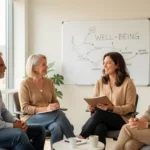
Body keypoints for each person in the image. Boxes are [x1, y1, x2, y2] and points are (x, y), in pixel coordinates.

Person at [78, 52, 136, 149]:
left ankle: (81, 137)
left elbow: (131, 107)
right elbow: (94, 100)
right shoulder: (100, 82)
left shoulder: (128, 83)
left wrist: (112, 108)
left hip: (122, 119)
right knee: (99, 127)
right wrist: (91, 107)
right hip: (103, 118)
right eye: (104, 63)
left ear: (117, 65)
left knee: (101, 114)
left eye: (108, 63)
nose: (104, 65)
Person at [19, 54, 75, 148]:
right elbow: (25, 107)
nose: (46, 66)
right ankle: (74, 141)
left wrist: (55, 105)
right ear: (34, 67)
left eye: (46, 64)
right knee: (59, 114)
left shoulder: (49, 82)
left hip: (48, 116)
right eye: (43, 64)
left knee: (57, 128)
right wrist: (46, 108)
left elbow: (54, 100)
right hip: (30, 118)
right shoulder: (25, 84)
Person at [0, 52, 46, 150]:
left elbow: (3, 111)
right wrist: (13, 126)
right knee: (19, 134)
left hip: (3, 128)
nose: (5, 68)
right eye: (2, 65)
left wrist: (17, 121)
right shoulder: (25, 83)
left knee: (40, 130)